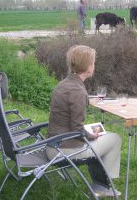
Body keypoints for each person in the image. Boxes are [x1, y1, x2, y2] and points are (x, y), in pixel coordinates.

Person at [46, 45, 122, 197]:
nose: (94, 66)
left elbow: (70, 123)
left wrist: (87, 132)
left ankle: (100, 183)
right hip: (65, 151)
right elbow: (77, 131)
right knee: (114, 139)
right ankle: (104, 185)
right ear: (87, 67)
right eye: (93, 63)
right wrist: (91, 135)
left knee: (98, 138)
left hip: (52, 145)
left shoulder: (63, 85)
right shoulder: (78, 91)